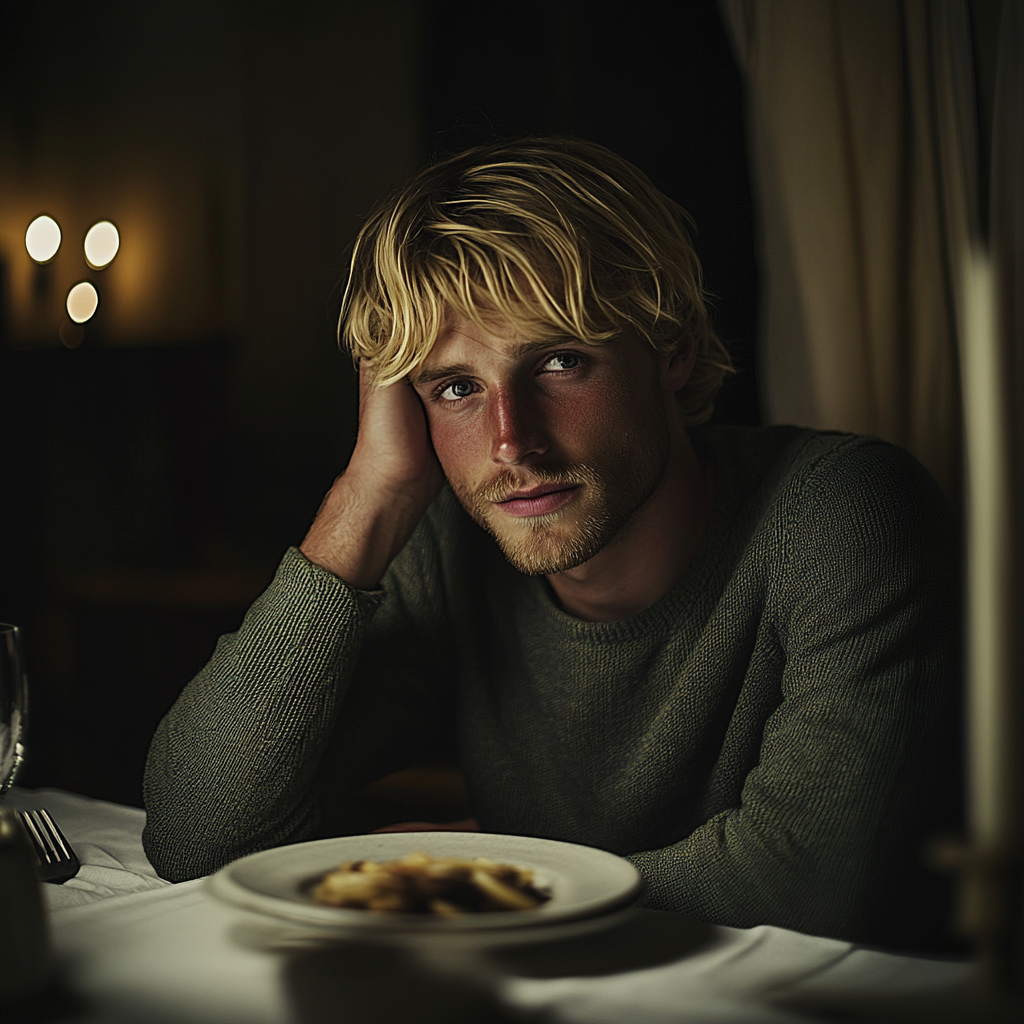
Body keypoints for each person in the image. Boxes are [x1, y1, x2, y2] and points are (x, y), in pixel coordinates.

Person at [142, 137, 960, 950]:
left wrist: (483, 875)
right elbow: (197, 831)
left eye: (561, 362)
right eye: (456, 387)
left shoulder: (846, 513)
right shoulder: (446, 549)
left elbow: (811, 887)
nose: (511, 442)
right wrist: (368, 494)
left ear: (669, 350)